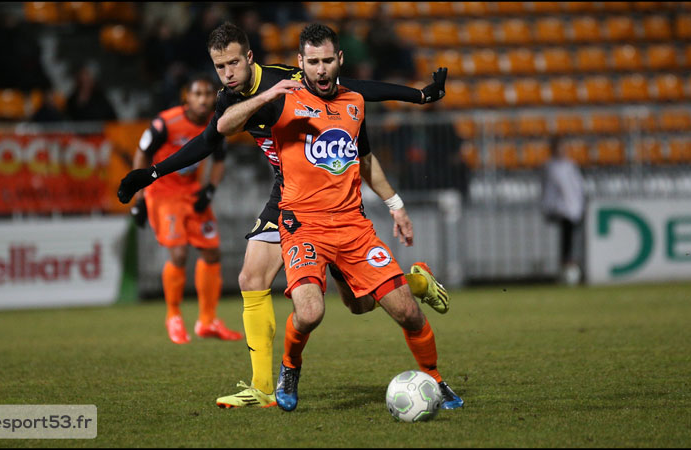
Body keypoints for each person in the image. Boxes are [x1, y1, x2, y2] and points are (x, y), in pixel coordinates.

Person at [116, 22, 453, 409]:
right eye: (219, 66)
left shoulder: (286, 80)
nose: (227, 74)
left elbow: (351, 86)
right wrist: (152, 173)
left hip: (328, 198)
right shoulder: (229, 98)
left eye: (233, 64)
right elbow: (209, 139)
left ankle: (414, 283)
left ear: (249, 58)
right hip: (287, 195)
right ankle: (262, 388)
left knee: (359, 305)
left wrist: (418, 95)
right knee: (251, 278)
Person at [214, 23, 462, 412]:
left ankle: (435, 379)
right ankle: (289, 368)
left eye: (328, 60)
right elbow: (223, 125)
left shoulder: (354, 103)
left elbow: (365, 160)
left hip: (352, 227)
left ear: (339, 59)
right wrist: (267, 96)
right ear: (301, 63)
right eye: (313, 62)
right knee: (310, 312)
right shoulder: (283, 99)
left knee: (401, 312)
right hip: (303, 226)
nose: (321, 69)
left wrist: (396, 206)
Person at [131, 73, 243, 344]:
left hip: (192, 193)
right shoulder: (165, 123)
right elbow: (142, 153)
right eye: (197, 94)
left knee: (212, 252)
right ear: (187, 97)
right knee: (179, 253)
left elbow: (219, 160)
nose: (203, 100)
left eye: (208, 94)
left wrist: (210, 189)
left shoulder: (217, 123)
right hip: (163, 194)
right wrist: (139, 197)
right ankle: (173, 316)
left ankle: (208, 321)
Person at [541, 137, 585, 285]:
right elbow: (549, 189)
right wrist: (548, 206)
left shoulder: (571, 166)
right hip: (560, 208)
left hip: (573, 208)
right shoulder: (550, 167)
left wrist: (579, 205)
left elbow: (577, 187)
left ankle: (570, 267)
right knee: (566, 239)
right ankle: (566, 267)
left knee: (572, 239)